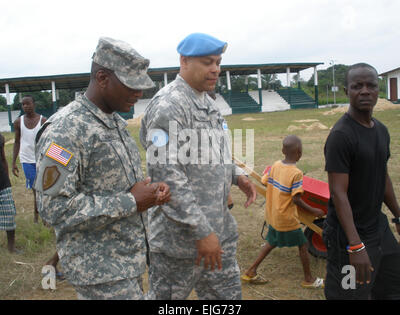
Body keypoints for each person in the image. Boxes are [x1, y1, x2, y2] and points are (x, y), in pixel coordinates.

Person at [34, 37, 171, 300]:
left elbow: (116, 185)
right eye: (131, 85)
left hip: (126, 263)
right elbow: (53, 209)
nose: (139, 93)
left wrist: (148, 192)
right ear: (102, 78)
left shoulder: (114, 122)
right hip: (100, 272)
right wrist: (131, 201)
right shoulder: (65, 130)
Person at [140, 32, 257, 300]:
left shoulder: (206, 101)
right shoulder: (169, 105)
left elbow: (215, 150)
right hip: (180, 242)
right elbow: (166, 175)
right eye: (207, 62)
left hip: (219, 232)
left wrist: (236, 176)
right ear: (184, 61)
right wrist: (201, 232)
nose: (215, 69)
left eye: (218, 62)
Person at [323, 63, 400, 300]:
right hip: (348, 235)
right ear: (347, 91)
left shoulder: (381, 130)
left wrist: (398, 215)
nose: (365, 91)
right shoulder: (341, 136)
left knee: (392, 287)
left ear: (379, 90)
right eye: (357, 86)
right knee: (349, 295)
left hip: (377, 226)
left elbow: (382, 175)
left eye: (371, 85)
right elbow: (338, 193)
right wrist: (356, 246)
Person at [241, 135, 325, 288]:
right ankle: (309, 279)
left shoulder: (276, 165)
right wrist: (315, 211)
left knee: (271, 242)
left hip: (274, 215)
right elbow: (296, 199)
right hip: (287, 219)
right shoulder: (296, 173)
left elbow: (264, 181)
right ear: (299, 152)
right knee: (303, 244)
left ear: (282, 150)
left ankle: (250, 271)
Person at [12, 95, 47, 223]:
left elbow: (48, 141)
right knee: (35, 189)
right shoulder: (18, 122)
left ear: (34, 104)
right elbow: (16, 142)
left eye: (28, 103)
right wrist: (13, 163)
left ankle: (41, 216)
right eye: (23, 104)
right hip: (26, 160)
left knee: (43, 189)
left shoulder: (43, 121)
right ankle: (37, 216)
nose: (26, 106)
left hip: (41, 159)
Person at [0, 133, 18, 253]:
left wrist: (7, 177)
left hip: (2, 181)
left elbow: (3, 159)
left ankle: (11, 248)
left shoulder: (0, 138)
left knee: (9, 212)